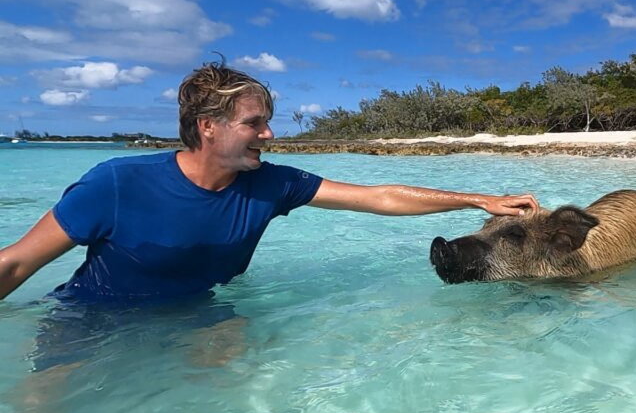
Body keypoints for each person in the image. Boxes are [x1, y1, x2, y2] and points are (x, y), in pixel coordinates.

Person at [0, 61, 539, 302]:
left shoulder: (271, 184)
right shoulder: (116, 182)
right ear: (208, 128)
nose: (269, 134)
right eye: (254, 124)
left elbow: (377, 196)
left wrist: (477, 198)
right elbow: (18, 262)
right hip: (91, 320)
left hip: (200, 315)